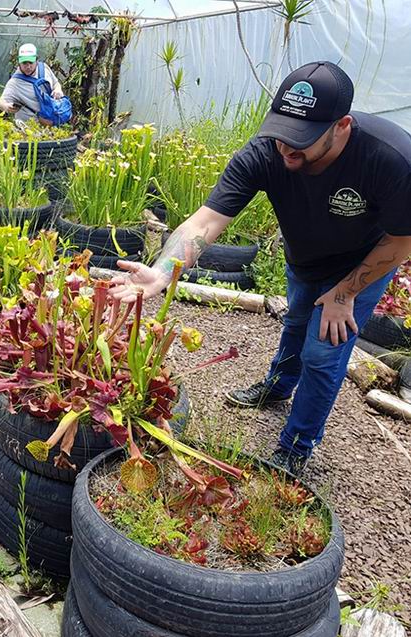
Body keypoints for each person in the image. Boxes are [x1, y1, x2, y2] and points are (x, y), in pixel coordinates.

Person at [110, 61, 411, 476]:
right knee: (297, 320)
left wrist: (344, 294)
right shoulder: (264, 152)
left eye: (302, 139)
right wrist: (163, 272)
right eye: (283, 130)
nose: (286, 147)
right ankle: (278, 386)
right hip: (303, 259)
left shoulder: (390, 157)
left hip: (360, 267)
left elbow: (401, 239)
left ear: (341, 126)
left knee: (323, 352)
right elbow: (205, 222)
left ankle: (297, 444)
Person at [0, 43, 64, 125]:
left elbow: (56, 83)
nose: (28, 66)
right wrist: (7, 107)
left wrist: (58, 89)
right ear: (19, 63)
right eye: (24, 63)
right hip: (29, 128)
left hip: (52, 122)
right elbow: (2, 102)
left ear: (36, 60)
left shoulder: (44, 68)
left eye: (31, 62)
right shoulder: (14, 82)